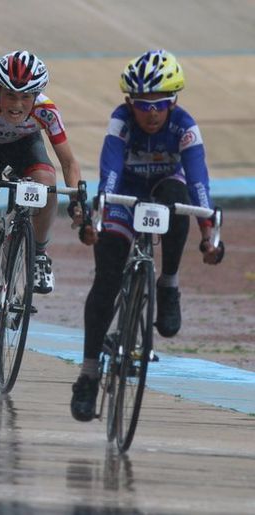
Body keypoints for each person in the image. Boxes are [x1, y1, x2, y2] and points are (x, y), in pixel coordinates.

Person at [70, 49, 225, 421]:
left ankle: (168, 284)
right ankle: (88, 375)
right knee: (106, 280)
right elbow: (108, 173)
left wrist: (209, 233)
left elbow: (199, 181)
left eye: (161, 104)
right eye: (143, 104)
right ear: (129, 102)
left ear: (174, 102)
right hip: (125, 193)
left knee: (179, 197)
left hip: (165, 190)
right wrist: (96, 220)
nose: (152, 113)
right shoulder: (121, 121)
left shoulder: (185, 127)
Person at [0, 50, 84, 358]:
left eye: (26, 97)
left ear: (37, 95)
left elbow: (69, 162)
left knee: (47, 187)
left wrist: (77, 199)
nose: (17, 105)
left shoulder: (47, 111)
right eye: (10, 95)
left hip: (26, 150)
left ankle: (38, 253)